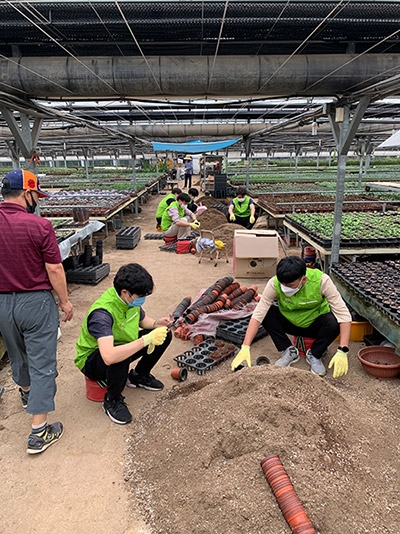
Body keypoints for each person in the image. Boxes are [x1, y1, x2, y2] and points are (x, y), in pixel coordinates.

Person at [0, 169, 74, 454]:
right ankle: (38, 433)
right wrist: (65, 302)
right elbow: (54, 268)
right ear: (26, 193)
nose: (36, 201)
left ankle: (26, 392)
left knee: (16, 352)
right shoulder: (39, 226)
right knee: (43, 364)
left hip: (3, 302)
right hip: (35, 302)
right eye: (35, 195)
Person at [75, 263, 173, 425]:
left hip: (120, 347)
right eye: (140, 296)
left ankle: (139, 376)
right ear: (125, 292)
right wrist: (146, 340)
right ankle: (112, 400)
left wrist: (157, 324)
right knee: (119, 356)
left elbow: (142, 320)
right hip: (92, 360)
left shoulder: (129, 301)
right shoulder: (102, 313)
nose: (142, 300)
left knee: (164, 335)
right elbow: (109, 356)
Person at [231, 256, 352, 378]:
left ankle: (315, 354)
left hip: (315, 324)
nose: (285, 288)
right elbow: (258, 314)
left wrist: (343, 350)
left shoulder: (322, 281)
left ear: (303, 280)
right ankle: (289, 350)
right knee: (267, 313)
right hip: (290, 322)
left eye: (290, 285)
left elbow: (344, 315)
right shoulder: (274, 283)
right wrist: (245, 347)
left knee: (334, 322)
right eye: (282, 284)